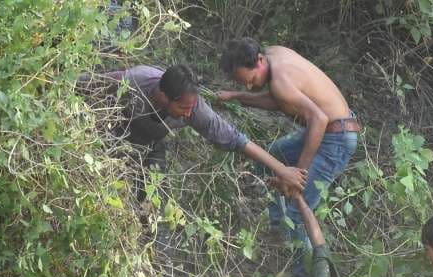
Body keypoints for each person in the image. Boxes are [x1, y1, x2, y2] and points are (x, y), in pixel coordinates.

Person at [217, 38, 360, 277]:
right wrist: (237, 97)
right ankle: (279, 228)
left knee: (297, 210)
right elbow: (280, 101)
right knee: (272, 159)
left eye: (248, 80)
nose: (248, 85)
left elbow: (317, 118)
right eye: (242, 83)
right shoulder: (274, 54)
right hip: (332, 128)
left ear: (258, 60)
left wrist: (298, 174)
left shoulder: (280, 79)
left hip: (336, 136)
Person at [80, 64, 306, 203]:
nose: (189, 114)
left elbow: (236, 139)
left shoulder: (195, 109)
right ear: (164, 96)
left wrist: (282, 169)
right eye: (183, 109)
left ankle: (159, 258)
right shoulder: (134, 82)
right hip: (113, 134)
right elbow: (90, 83)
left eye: (191, 108)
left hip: (150, 145)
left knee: (155, 199)